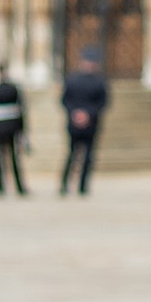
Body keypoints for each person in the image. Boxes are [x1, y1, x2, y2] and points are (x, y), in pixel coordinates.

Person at [59, 45, 108, 194]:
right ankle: (65, 184)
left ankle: (82, 186)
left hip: (89, 123)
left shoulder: (99, 82)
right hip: (80, 123)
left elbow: (103, 102)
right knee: (73, 154)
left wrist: (84, 114)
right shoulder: (73, 80)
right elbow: (65, 100)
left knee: (87, 156)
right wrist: (79, 113)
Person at [0, 64, 29, 194]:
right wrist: (22, 128)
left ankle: (0, 186)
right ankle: (19, 186)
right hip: (12, 124)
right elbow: (20, 109)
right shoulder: (13, 89)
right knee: (14, 157)